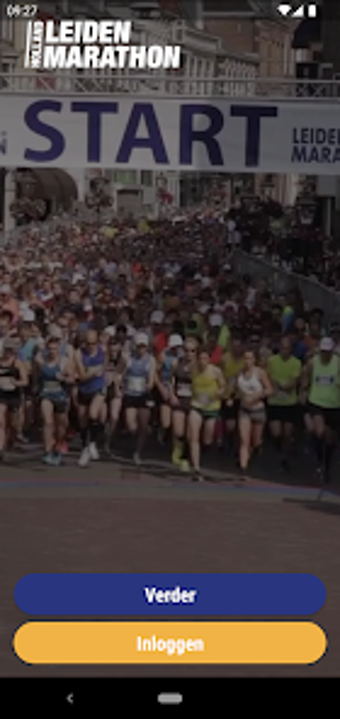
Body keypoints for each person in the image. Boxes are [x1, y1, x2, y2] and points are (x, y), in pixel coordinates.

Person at [301, 337, 340, 483]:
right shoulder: (313, 362)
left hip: (335, 404)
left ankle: (326, 466)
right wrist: (303, 391)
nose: (325, 354)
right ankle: (318, 461)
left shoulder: (338, 362)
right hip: (316, 402)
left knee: (331, 440)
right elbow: (305, 377)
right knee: (319, 432)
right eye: (323, 351)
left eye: (328, 352)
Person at [34, 335, 74, 465]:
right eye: (50, 349)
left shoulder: (64, 361)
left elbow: (72, 378)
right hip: (46, 394)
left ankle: (57, 447)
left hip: (60, 395)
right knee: (48, 421)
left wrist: (63, 378)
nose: (52, 351)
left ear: (59, 349)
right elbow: (36, 372)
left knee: (61, 425)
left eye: (55, 349)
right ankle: (47, 451)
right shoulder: (41, 360)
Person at [188, 347, 225, 482]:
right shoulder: (193, 369)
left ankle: (206, 448)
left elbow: (223, 386)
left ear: (209, 360)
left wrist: (219, 393)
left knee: (207, 439)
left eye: (205, 359)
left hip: (212, 407)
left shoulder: (215, 371)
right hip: (196, 405)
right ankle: (196, 469)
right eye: (200, 358)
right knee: (194, 437)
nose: (202, 361)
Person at [267, 336, 302, 472]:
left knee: (287, 432)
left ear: (291, 350)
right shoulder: (272, 361)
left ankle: (284, 456)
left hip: (289, 403)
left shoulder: (296, 363)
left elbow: (292, 383)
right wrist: (277, 384)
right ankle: (278, 449)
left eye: (288, 349)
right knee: (276, 433)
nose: (285, 351)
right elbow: (269, 378)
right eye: (283, 348)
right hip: (275, 402)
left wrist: (280, 384)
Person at [122, 332, 156, 465]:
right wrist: (120, 382)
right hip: (130, 394)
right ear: (135, 346)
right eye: (139, 346)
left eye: (143, 346)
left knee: (143, 425)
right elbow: (120, 372)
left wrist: (149, 384)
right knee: (131, 426)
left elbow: (152, 378)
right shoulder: (128, 358)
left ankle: (138, 452)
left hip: (143, 395)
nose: (141, 348)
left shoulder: (150, 360)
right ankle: (137, 439)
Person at [237, 351, 272, 478]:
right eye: (245, 358)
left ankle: (257, 448)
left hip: (258, 410)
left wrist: (257, 395)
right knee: (244, 440)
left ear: (254, 360)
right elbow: (236, 388)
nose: (247, 361)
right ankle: (243, 469)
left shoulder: (260, 373)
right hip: (244, 410)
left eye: (249, 358)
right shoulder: (239, 373)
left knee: (255, 441)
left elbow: (269, 389)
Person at [75, 329, 106, 468]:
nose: (90, 346)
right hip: (84, 388)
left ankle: (93, 443)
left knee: (93, 413)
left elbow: (111, 364)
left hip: (98, 388)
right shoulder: (79, 354)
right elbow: (81, 376)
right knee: (82, 421)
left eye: (93, 343)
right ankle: (85, 447)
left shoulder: (103, 351)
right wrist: (94, 373)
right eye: (88, 343)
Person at [170, 337, 197, 472]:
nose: (189, 353)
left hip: (193, 400)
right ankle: (178, 446)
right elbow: (171, 380)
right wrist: (172, 394)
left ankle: (185, 459)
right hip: (179, 398)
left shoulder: (198, 366)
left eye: (192, 351)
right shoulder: (176, 363)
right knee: (178, 430)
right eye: (186, 350)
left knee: (189, 433)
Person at [0, 338, 27, 460]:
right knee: (1, 422)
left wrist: (15, 382)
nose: (8, 352)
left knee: (12, 424)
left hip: (14, 395)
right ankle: (1, 448)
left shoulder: (17, 363)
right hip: (1, 395)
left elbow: (25, 381)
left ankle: (11, 439)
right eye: (7, 350)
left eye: (11, 350)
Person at [155, 333, 183, 444]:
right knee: (166, 422)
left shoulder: (183, 355)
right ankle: (161, 429)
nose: (175, 349)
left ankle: (175, 442)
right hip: (166, 385)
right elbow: (156, 372)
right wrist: (161, 386)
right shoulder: (164, 355)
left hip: (179, 386)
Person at [105, 335, 126, 452]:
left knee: (114, 415)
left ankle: (109, 441)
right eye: (111, 349)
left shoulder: (123, 361)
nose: (113, 352)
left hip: (116, 389)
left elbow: (120, 377)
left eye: (116, 349)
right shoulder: (103, 358)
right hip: (103, 388)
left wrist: (118, 386)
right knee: (101, 415)